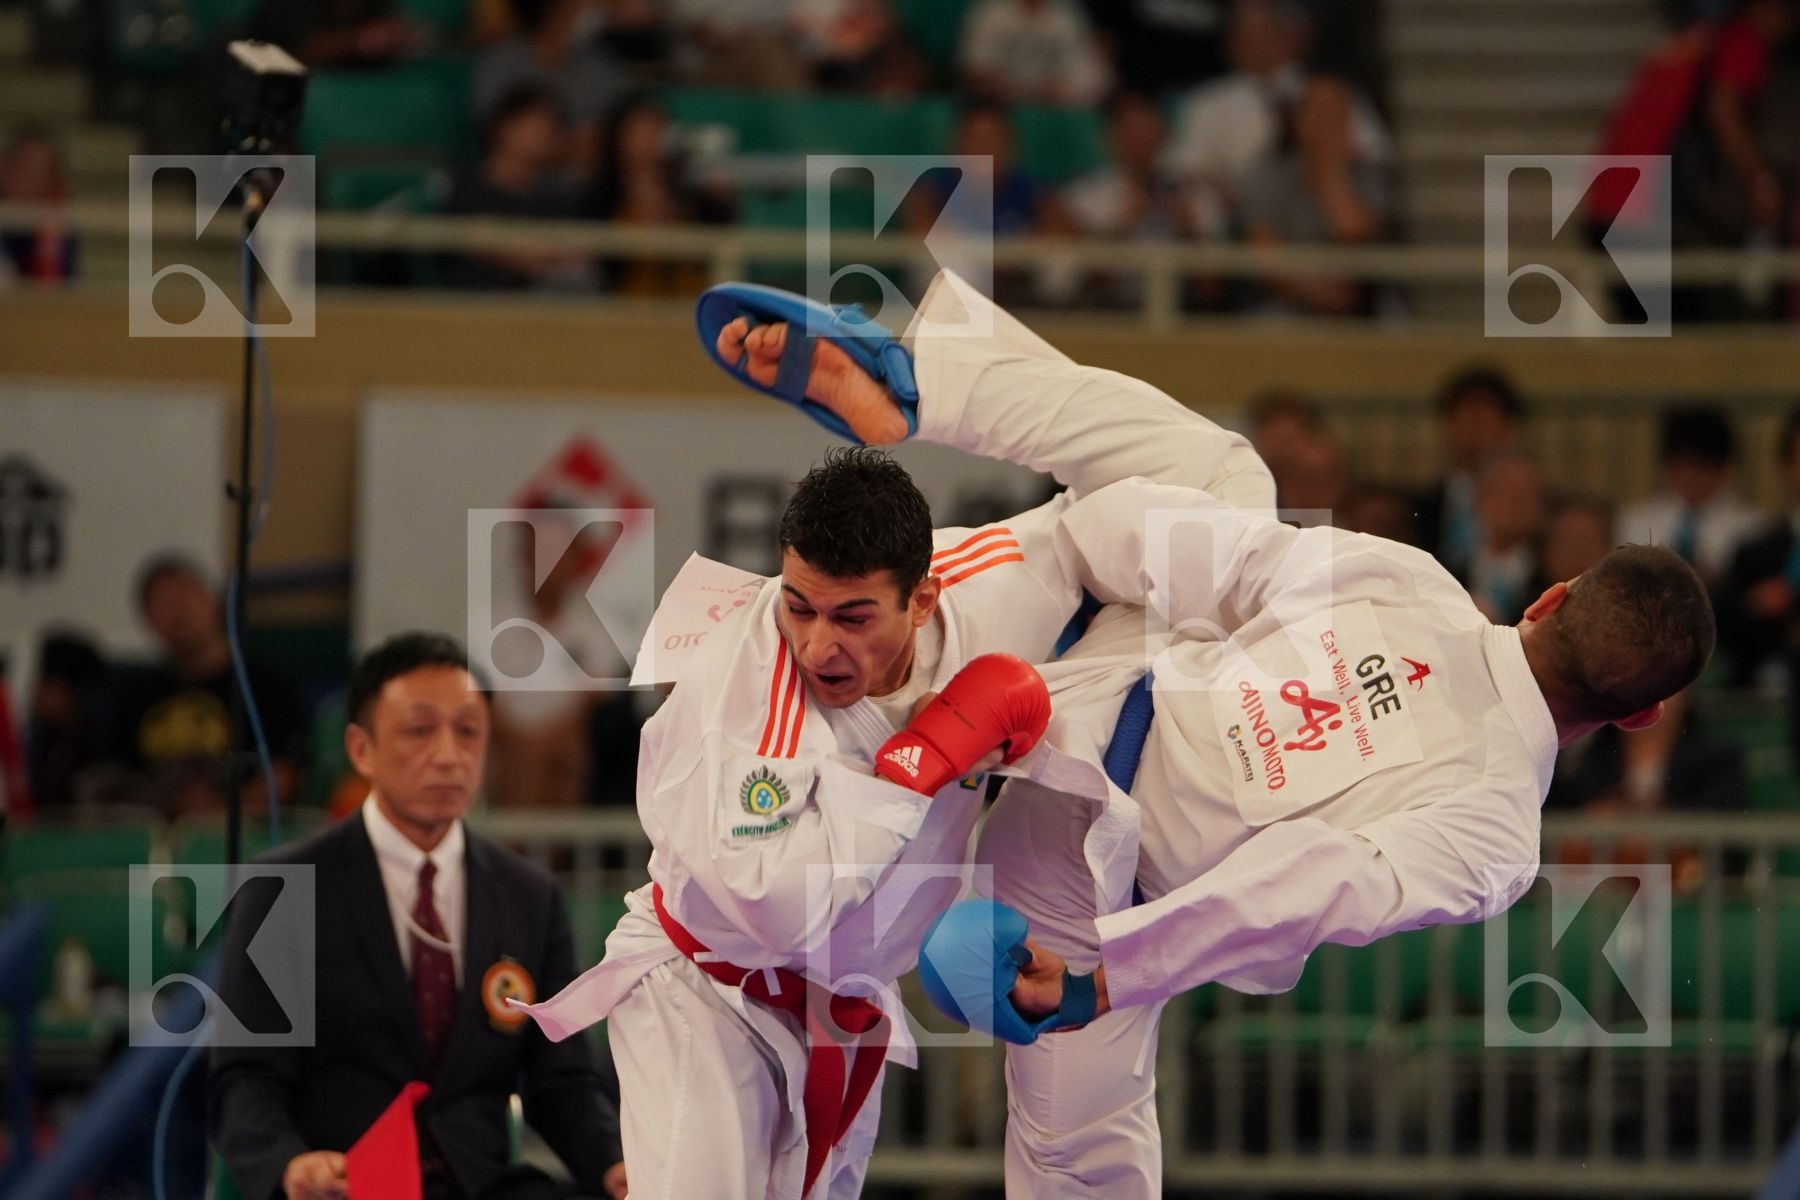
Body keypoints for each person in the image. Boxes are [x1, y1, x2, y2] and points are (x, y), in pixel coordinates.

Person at [515, 268, 1274, 1199]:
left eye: (852, 617)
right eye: (799, 605)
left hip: (844, 1003)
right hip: (709, 998)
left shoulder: (989, 583)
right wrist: (917, 762)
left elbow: (1177, 483)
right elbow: (773, 905)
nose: (816, 643)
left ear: (922, 598)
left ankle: (915, 390)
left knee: (1222, 482)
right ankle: (928, 388)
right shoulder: (751, 691)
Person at [910, 448, 1715, 1200]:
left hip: (1058, 714)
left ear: (1550, 597)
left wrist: (1058, 584)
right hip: (1091, 897)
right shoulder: (1496, 836)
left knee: (860, 777)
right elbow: (1303, 888)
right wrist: (1106, 981)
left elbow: (1183, 543)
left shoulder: (1410, 581)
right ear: (1639, 716)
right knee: (1075, 1168)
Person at [209, 632, 628, 1200]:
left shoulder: (530, 896)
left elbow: (562, 1079)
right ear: (361, 749)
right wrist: (290, 1165)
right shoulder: (282, 891)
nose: (448, 755)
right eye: (419, 730)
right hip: (347, 1183)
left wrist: (611, 1165)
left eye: (468, 731)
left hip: (484, 1185)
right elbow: (246, 1077)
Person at [98, 555, 302, 820]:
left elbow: (283, 777)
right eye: (163, 603)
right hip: (154, 838)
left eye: (186, 595)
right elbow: (113, 784)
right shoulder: (135, 697)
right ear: (148, 621)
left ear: (212, 600)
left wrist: (215, 812)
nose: (178, 611)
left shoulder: (262, 686)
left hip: (241, 834)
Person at [1616, 403, 1763, 587]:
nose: (1691, 477)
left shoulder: (1752, 529)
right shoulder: (1633, 521)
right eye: (1683, 465)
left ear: (1723, 468)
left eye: (1702, 467)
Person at [1411, 365, 1527, 581]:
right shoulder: (1422, 508)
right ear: (1447, 426)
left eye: (1484, 418)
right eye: (1466, 417)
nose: (1475, 429)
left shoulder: (1534, 506)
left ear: (1510, 427)